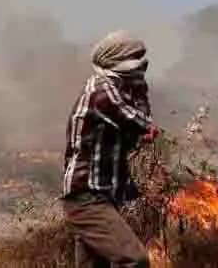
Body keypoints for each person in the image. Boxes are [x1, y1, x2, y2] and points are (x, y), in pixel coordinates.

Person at [62, 30, 160, 268]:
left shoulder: (119, 87)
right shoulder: (101, 89)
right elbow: (140, 123)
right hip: (86, 199)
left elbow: (142, 120)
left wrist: (139, 87)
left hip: (100, 197)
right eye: (136, 60)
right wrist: (140, 87)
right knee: (135, 260)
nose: (140, 66)